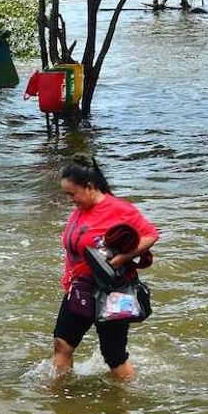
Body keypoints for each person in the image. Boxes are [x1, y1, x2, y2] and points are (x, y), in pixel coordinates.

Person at [53, 155, 159, 380]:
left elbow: (150, 235)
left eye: (72, 194)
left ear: (90, 187)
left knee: (114, 356)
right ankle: (59, 402)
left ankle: (127, 402)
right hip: (79, 288)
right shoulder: (81, 210)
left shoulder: (119, 209)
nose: (69, 200)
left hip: (112, 291)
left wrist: (123, 257)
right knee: (62, 345)